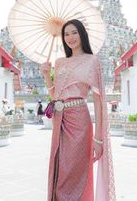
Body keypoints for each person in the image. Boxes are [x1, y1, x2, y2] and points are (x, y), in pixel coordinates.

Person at [40, 19, 116, 201]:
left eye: (74, 33)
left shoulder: (92, 61)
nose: (70, 37)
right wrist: (46, 76)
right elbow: (55, 96)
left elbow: (98, 102)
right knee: (61, 174)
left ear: (82, 34)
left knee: (77, 173)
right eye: (66, 34)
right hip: (60, 120)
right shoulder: (59, 63)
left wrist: (98, 139)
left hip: (80, 122)